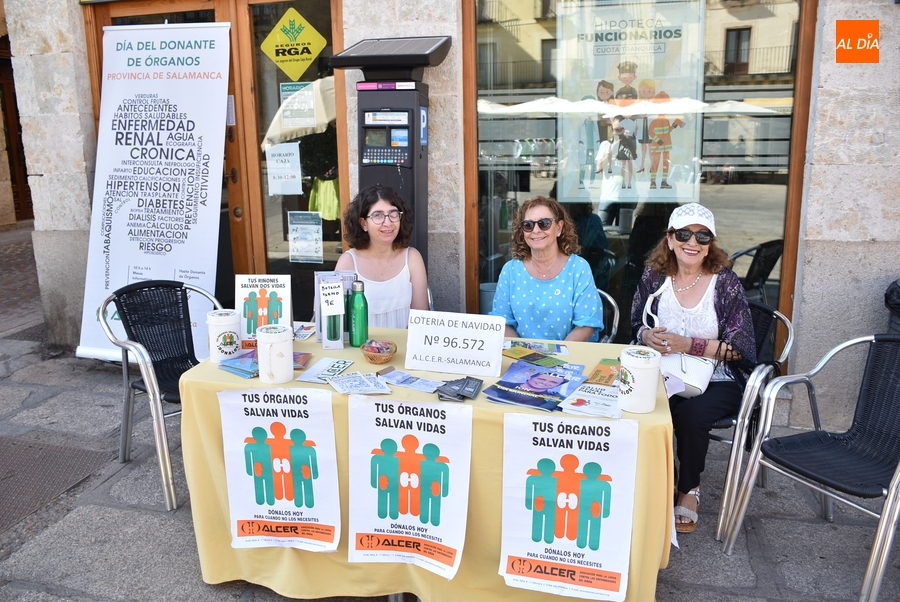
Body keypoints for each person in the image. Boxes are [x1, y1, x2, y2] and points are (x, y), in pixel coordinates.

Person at [630, 203, 756, 533]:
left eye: (702, 236)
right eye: (684, 234)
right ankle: (656, 479)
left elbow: (740, 349)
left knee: (691, 414)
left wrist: (689, 344)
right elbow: (636, 323)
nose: (693, 242)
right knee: (644, 404)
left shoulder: (725, 282)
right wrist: (647, 335)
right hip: (667, 370)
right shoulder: (655, 276)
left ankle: (688, 489)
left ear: (710, 243)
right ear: (670, 239)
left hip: (721, 377)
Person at [490, 196, 603, 341]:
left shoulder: (579, 268)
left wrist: (558, 353)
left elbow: (586, 324)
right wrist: (523, 352)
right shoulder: (510, 270)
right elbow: (502, 322)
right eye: (528, 225)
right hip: (520, 354)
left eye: (544, 224)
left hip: (568, 353)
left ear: (559, 228)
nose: (536, 230)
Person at [335, 184, 429, 327]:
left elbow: (421, 321)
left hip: (403, 342)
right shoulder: (348, 263)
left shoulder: (412, 258)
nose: (388, 222)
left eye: (393, 214)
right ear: (363, 224)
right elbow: (337, 322)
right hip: (361, 342)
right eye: (377, 215)